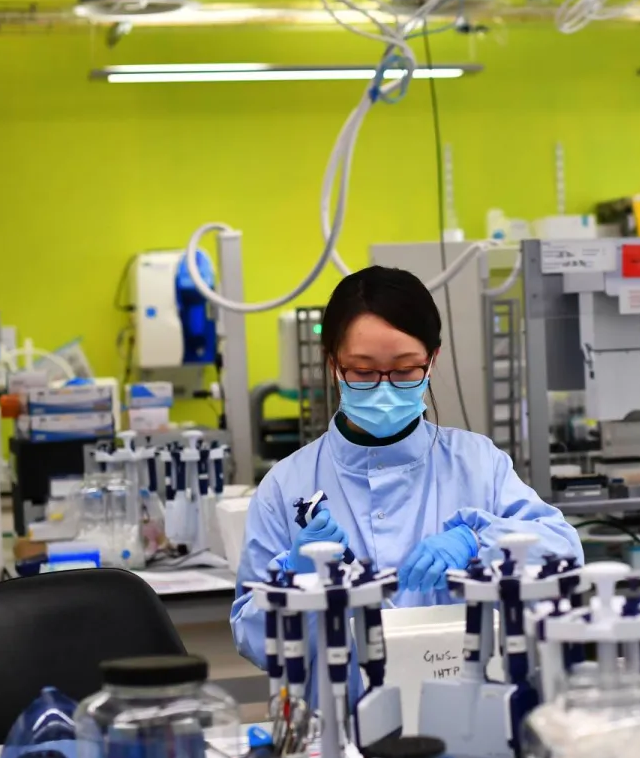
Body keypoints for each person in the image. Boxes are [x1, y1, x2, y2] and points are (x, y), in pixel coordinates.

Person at [230, 265, 583, 677]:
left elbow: (565, 553)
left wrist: (479, 539)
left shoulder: (477, 464)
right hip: (340, 716)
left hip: (468, 712)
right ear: (332, 364)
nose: (384, 388)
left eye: (404, 370)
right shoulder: (286, 485)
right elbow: (253, 641)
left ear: (431, 361)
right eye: (362, 372)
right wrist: (296, 577)